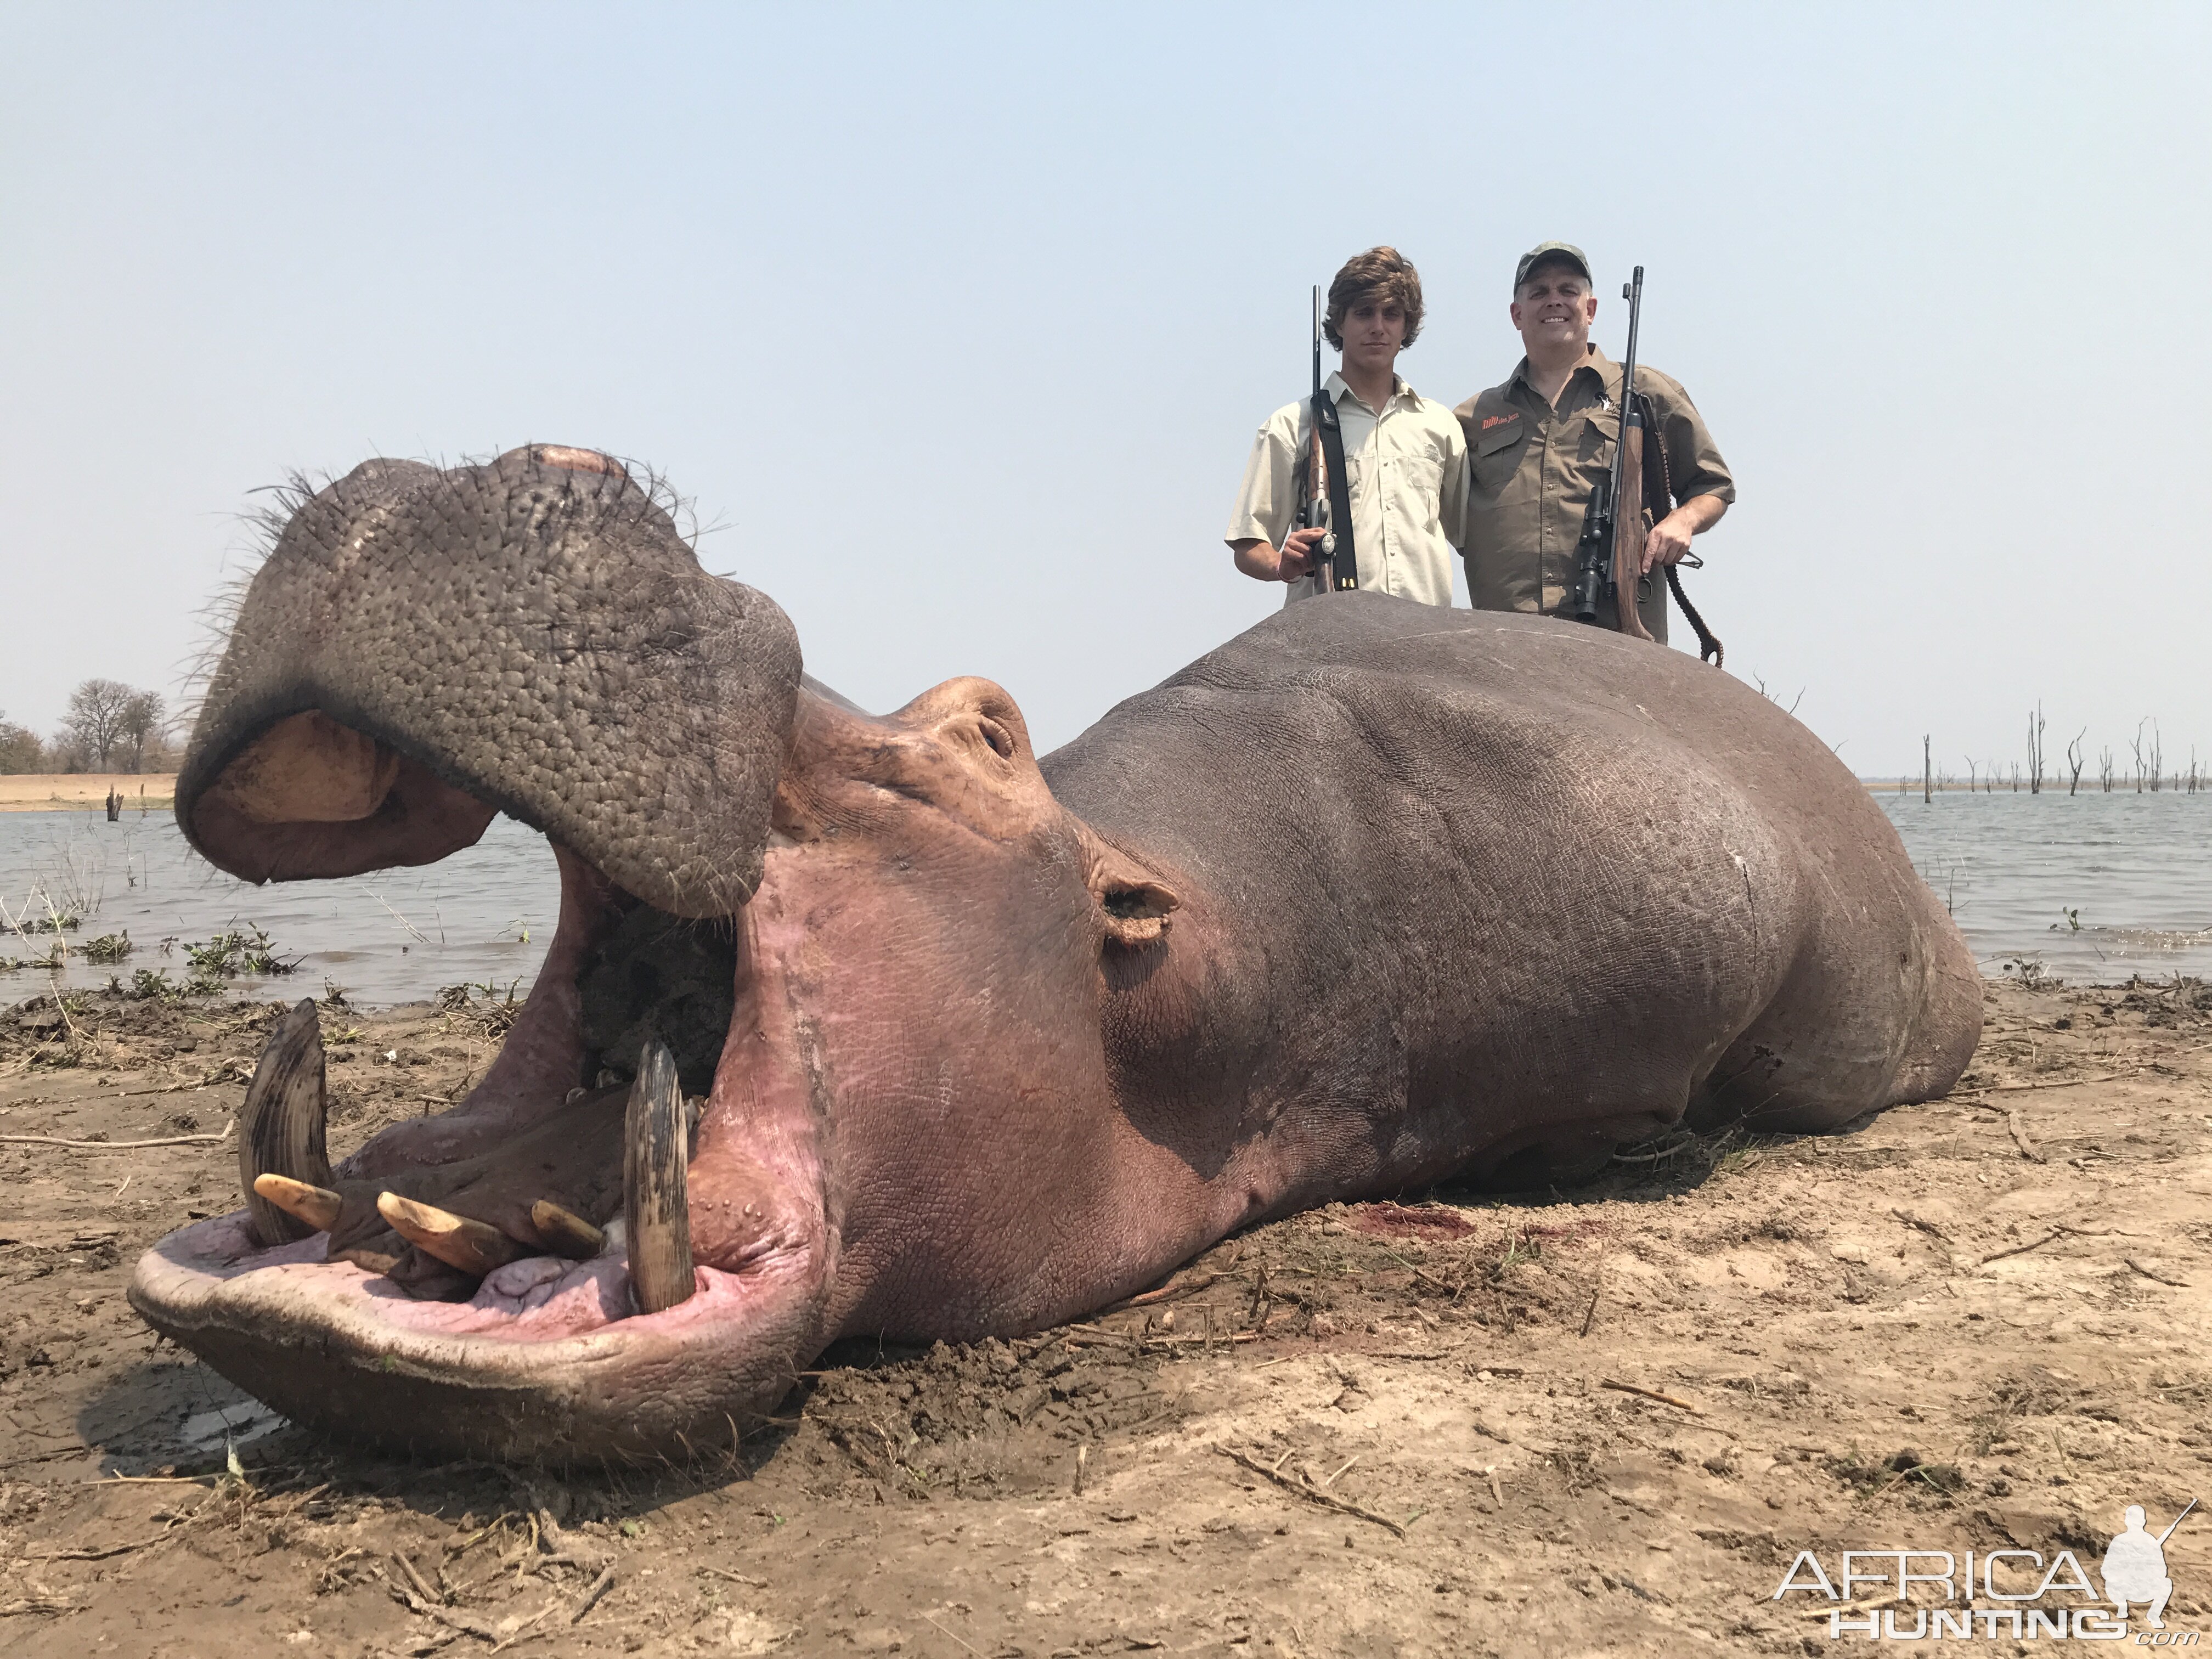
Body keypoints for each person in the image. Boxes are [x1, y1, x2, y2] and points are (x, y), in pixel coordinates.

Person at [1455, 241, 1734, 641]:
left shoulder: (1646, 393)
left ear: (1591, 309)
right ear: (1517, 315)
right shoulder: (1472, 417)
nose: (1554, 301)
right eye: (1539, 293)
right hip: (1507, 645)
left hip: (1618, 638)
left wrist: (1682, 521)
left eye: (1568, 290)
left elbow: (1716, 486)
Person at [1225, 246, 1468, 606]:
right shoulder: (1291, 425)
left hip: (1425, 640)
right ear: (1340, 322)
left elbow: (1472, 538)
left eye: (1392, 314)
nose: (1378, 327)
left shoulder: (1439, 425)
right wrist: (1283, 564)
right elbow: (1248, 546)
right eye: (1364, 313)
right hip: (1330, 638)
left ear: (1407, 324)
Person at [2102, 1505, 2174, 1629]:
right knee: (2166, 1583)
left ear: (2126, 1521)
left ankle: (2152, 1615)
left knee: (2166, 1583)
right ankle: (2124, 1608)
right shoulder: (2123, 1541)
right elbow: (2106, 1571)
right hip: (2127, 1589)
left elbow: (2162, 1571)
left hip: (2139, 1589)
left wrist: (2144, 1570)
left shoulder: (2124, 1540)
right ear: (2143, 1522)